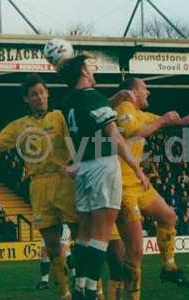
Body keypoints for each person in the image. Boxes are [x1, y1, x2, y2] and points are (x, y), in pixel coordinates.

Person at [0, 74, 78, 300]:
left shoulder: (60, 118)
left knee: (80, 238)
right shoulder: (19, 126)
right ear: (26, 99)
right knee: (53, 248)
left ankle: (93, 290)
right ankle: (64, 293)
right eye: (34, 94)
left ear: (48, 94)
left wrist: (78, 163)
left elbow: (79, 138)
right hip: (38, 186)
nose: (39, 97)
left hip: (65, 182)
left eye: (42, 92)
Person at [57, 54, 149, 300]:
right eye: (89, 66)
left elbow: (90, 117)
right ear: (84, 72)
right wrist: (137, 168)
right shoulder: (95, 99)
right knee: (102, 235)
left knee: (85, 234)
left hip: (84, 169)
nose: (93, 69)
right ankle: (88, 292)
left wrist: (113, 99)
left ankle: (80, 286)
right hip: (103, 167)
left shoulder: (69, 102)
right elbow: (115, 137)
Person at [113, 77, 189, 299]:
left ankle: (169, 267)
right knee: (135, 252)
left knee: (168, 216)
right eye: (144, 88)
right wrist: (162, 122)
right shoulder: (124, 109)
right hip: (122, 186)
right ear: (133, 92)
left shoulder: (139, 114)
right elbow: (134, 133)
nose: (148, 92)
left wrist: (177, 122)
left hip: (139, 183)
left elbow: (155, 120)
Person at [36, 224, 75, 290]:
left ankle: (75, 276)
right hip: (48, 226)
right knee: (44, 253)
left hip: (62, 226)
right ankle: (44, 281)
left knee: (63, 252)